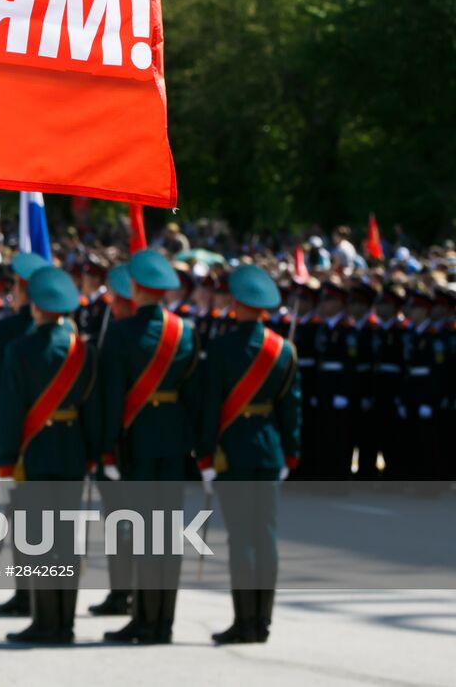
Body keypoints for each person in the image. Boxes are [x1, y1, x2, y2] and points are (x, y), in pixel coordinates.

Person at [0, 265, 101, 644]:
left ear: (36, 307)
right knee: (66, 543)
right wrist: (92, 453)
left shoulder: (20, 349)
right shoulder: (83, 350)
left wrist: (5, 459)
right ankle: (65, 624)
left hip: (34, 454)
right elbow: (93, 410)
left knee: (39, 542)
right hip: (72, 452)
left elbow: (10, 410)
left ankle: (44, 622)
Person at [195, 265, 300, 644]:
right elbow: (291, 409)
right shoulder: (283, 350)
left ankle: (244, 620)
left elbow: (209, 408)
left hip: (233, 453)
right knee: (266, 538)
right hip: (269, 451)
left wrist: (205, 457)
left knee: (241, 540)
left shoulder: (221, 348)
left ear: (237, 304)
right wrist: (291, 453)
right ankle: (262, 621)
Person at [99, 249, 200, 645]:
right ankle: (163, 622)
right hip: (173, 442)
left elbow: (110, 397)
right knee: (167, 536)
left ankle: (143, 619)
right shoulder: (186, 331)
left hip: (136, 441)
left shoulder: (121, 332)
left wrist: (108, 448)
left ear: (135, 288)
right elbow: (193, 394)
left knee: (143, 534)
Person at [0, 250, 48, 617]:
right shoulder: (67, 331)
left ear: (22, 290)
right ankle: (47, 599)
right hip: (56, 437)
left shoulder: (5, 330)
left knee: (22, 517)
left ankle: (25, 594)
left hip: (17, 436)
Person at [89, 263, 136, 618]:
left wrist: (102, 449)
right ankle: (135, 597)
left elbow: (106, 399)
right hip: (152, 446)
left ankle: (123, 593)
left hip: (119, 446)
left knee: (121, 523)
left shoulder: (116, 339)